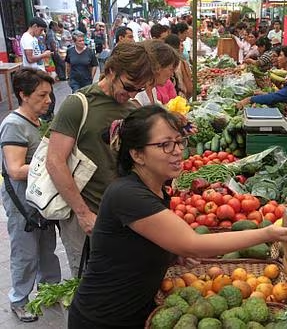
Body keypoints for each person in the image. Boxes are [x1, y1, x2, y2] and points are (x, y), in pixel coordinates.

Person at [67, 105, 287, 327]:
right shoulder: (127, 194)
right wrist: (267, 233)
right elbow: (194, 244)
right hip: (103, 319)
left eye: (179, 142)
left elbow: (138, 244)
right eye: (165, 145)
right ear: (137, 154)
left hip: (136, 310)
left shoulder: (156, 190)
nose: (177, 151)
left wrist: (171, 254)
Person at [46, 42, 157, 277]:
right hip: (84, 215)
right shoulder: (78, 104)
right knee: (87, 280)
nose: (130, 94)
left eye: (137, 90)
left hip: (119, 214)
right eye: (128, 87)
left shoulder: (130, 109)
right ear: (111, 70)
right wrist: (83, 214)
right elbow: (55, 161)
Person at [0, 68, 61, 322]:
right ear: (23, 95)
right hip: (22, 202)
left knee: (47, 247)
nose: (48, 100)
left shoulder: (38, 120)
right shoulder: (14, 125)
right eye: (41, 95)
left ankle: (50, 289)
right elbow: (15, 170)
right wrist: (54, 165)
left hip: (41, 200)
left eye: (49, 94)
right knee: (25, 252)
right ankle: (19, 300)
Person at [133, 39, 181, 106]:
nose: (172, 74)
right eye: (170, 69)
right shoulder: (137, 94)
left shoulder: (152, 89)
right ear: (158, 67)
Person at [163, 35, 193, 100]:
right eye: (181, 45)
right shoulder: (182, 63)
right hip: (179, 100)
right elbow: (189, 88)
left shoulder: (163, 63)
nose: (182, 48)